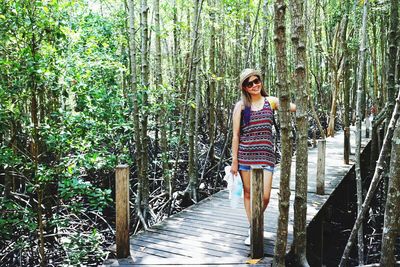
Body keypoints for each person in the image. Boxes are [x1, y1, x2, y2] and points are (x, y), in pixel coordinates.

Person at [230, 68, 296, 245]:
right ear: (244, 87)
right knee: (249, 193)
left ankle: (255, 223)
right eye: (249, 83)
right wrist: (234, 161)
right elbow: (236, 135)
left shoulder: (271, 101)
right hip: (245, 156)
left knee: (265, 196)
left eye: (256, 81)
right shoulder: (241, 106)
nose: (254, 85)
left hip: (266, 157)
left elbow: (294, 107)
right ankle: (254, 228)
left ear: (260, 81)